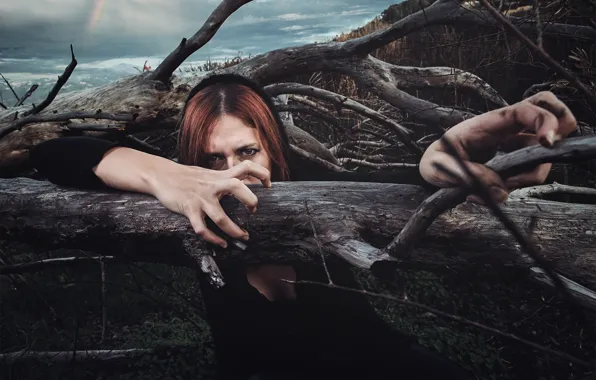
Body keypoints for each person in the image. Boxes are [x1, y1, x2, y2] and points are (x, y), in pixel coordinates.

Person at [29, 74, 577, 380]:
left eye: (247, 150)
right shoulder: (186, 194)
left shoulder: (310, 179)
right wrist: (167, 176)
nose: (231, 173)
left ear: (272, 142)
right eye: (210, 159)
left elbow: (416, 177)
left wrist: (446, 157)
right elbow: (57, 153)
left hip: (380, 364)